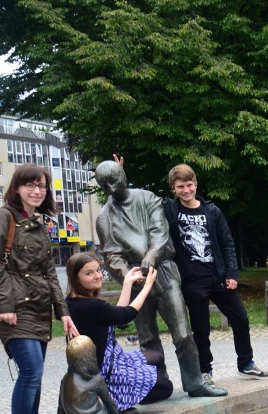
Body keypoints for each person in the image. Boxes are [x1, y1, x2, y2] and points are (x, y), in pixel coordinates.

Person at [94, 160, 226, 398]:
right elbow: (111, 253)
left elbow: (159, 230)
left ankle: (195, 382)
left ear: (123, 174)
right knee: (147, 338)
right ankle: (157, 385)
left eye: (114, 180)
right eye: (105, 185)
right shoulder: (104, 217)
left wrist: (152, 256)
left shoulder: (147, 198)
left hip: (163, 272)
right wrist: (128, 276)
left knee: (183, 332)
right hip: (135, 280)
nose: (111, 188)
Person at [0, 163, 79, 414]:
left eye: (41, 186)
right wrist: (5, 305)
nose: (37, 191)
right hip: (15, 308)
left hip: (38, 308)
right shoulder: (3, 217)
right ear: (16, 188)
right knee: (30, 371)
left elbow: (50, 272)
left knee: (35, 373)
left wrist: (62, 310)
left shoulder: (38, 223)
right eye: (30, 185)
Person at [163, 164, 268, 382]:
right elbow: (136, 200)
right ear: (173, 189)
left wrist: (232, 273)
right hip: (192, 280)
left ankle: (246, 363)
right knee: (201, 330)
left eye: (189, 185)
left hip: (218, 276)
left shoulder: (211, 211)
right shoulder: (169, 210)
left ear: (196, 184)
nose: (186, 190)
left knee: (240, 318)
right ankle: (205, 371)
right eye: (180, 186)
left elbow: (227, 243)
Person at [64, 252, 173, 412]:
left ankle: (135, 387)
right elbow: (126, 314)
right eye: (89, 273)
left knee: (156, 357)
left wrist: (127, 283)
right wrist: (148, 285)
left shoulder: (73, 302)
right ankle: (117, 399)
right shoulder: (90, 306)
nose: (97, 276)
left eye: (98, 270)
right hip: (106, 370)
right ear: (75, 277)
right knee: (166, 388)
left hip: (113, 358)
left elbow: (117, 317)